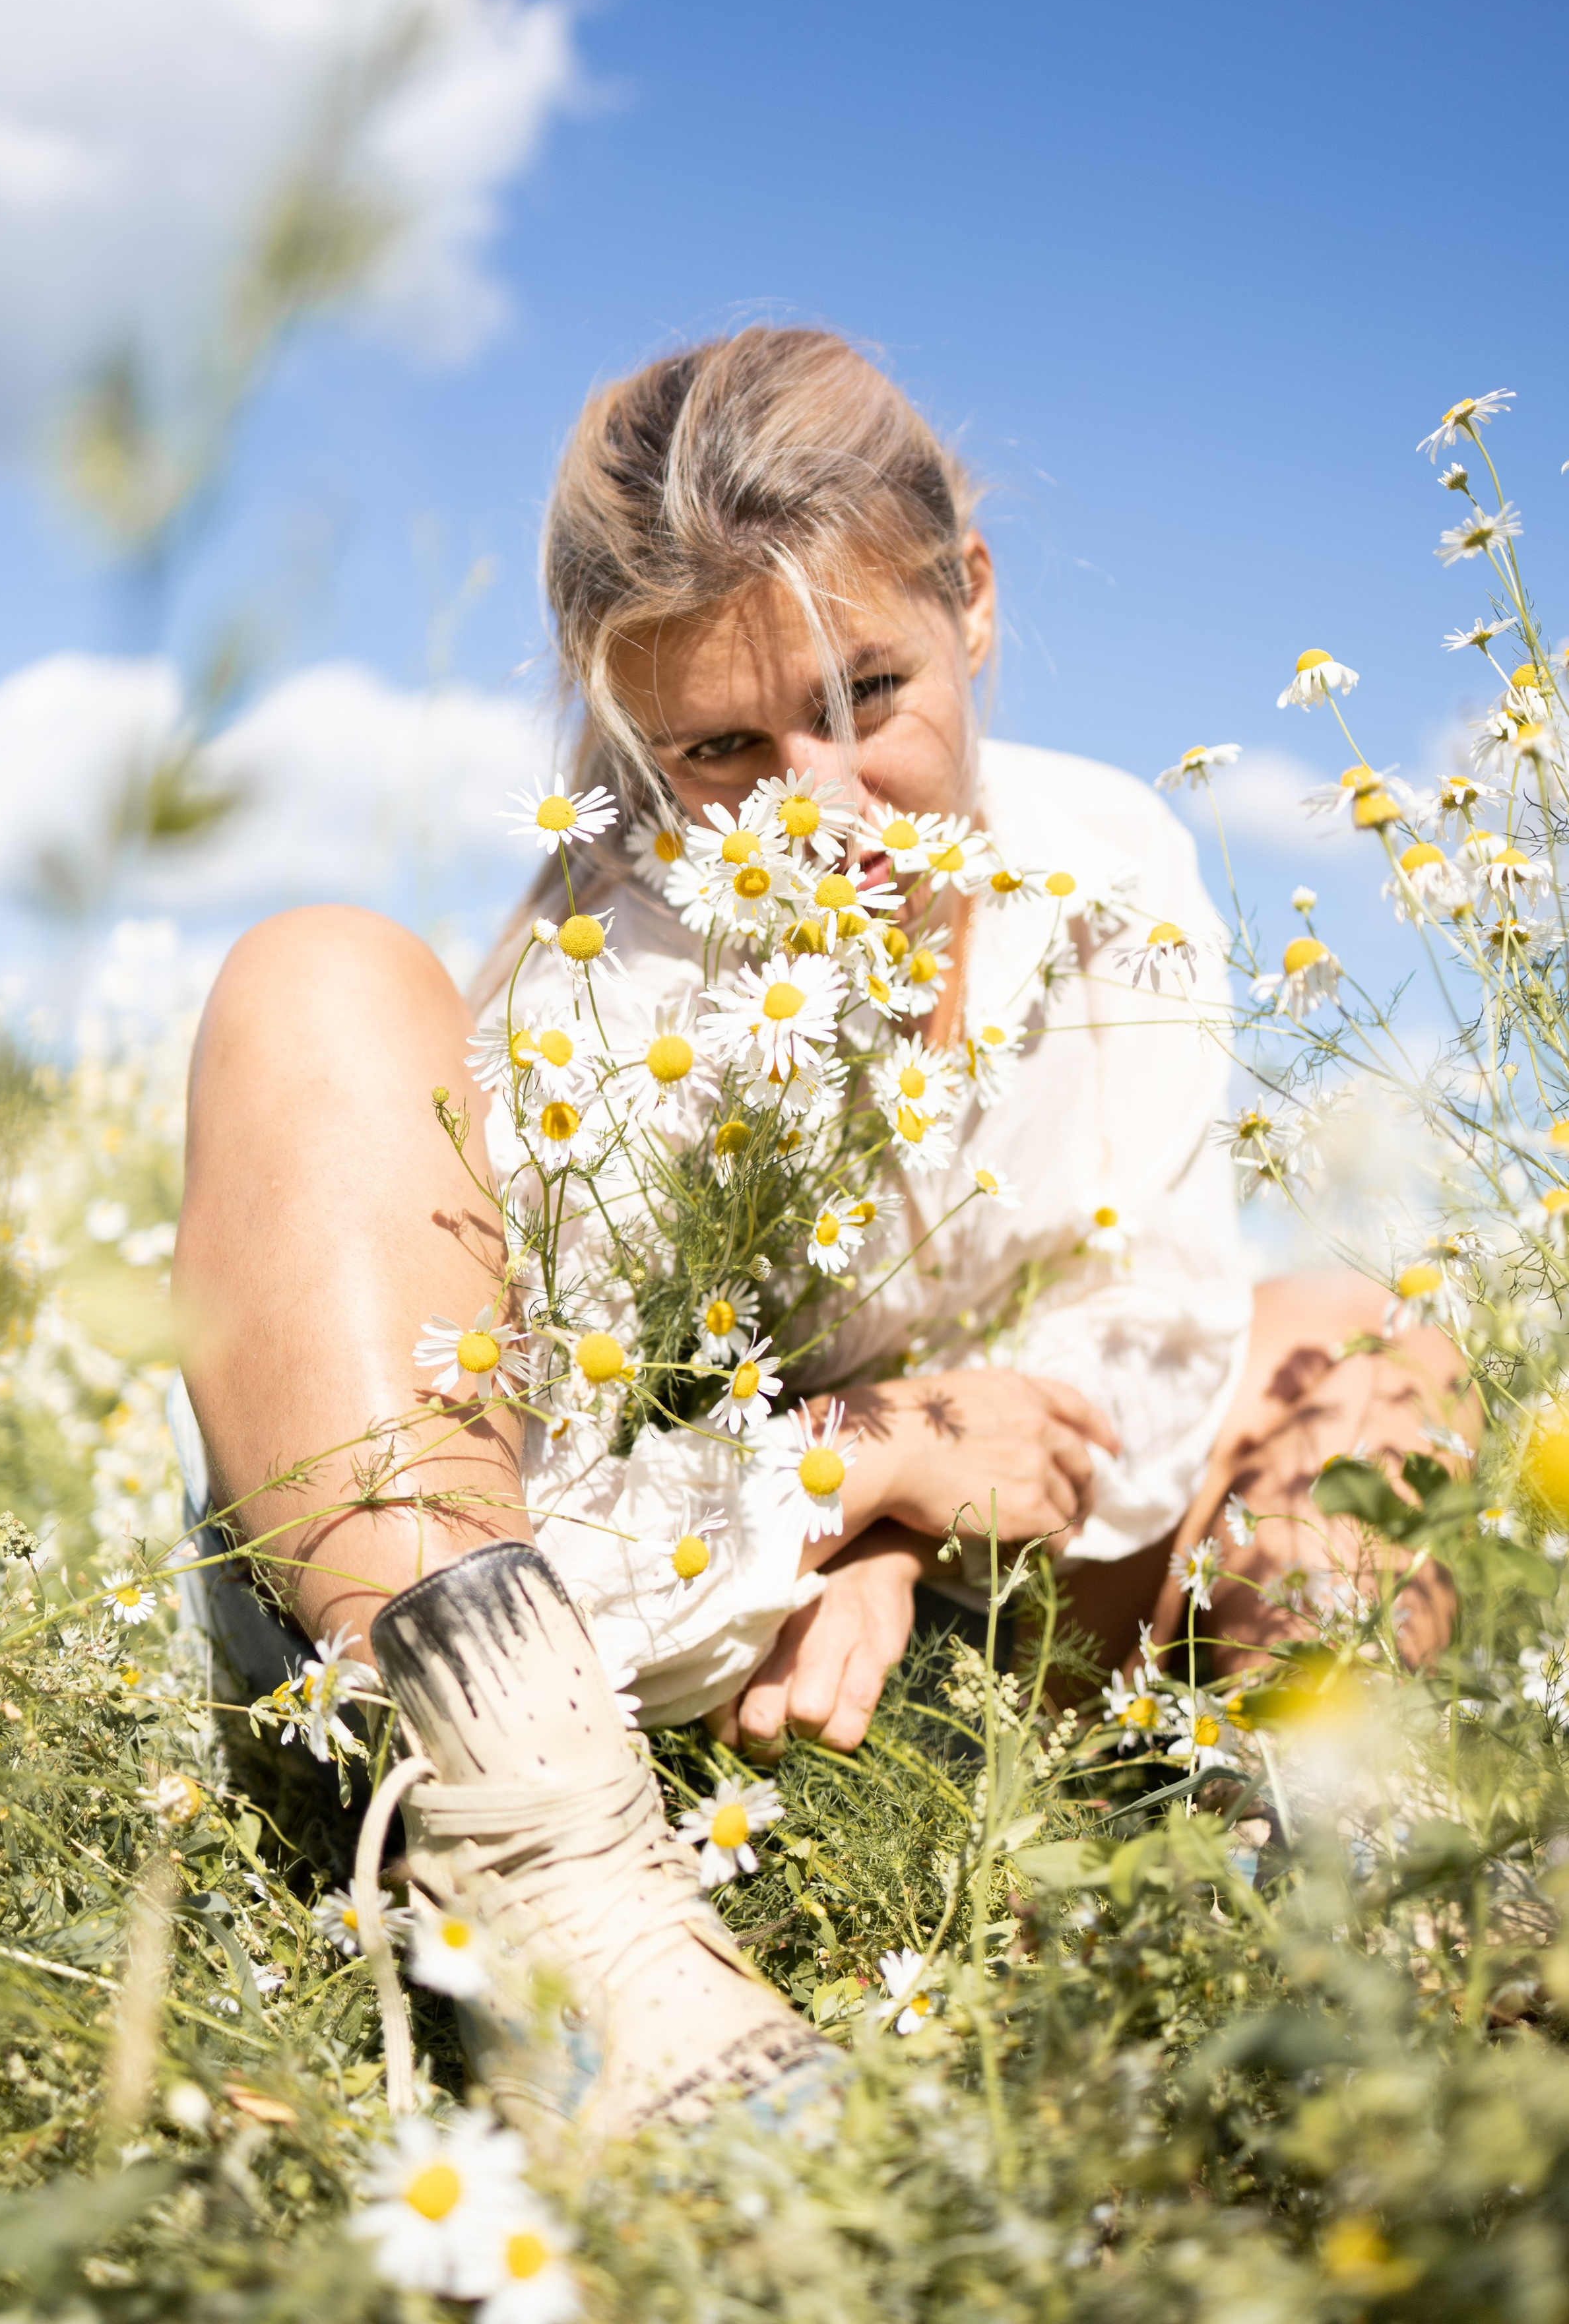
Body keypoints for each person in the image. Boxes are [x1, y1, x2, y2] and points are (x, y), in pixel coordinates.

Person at [172, 327, 1467, 2135]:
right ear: (620, 720)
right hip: (526, 1735)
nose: (819, 808)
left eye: (869, 695)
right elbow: (530, 1560)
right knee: (314, 978)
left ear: (978, 605)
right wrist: (868, 1457)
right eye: (720, 746)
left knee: (1351, 1339)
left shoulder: (1097, 867)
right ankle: (584, 1954)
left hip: (906, 1634)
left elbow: (1150, 1351)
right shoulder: (595, 1010)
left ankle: (1351, 1928)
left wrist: (898, 1540)